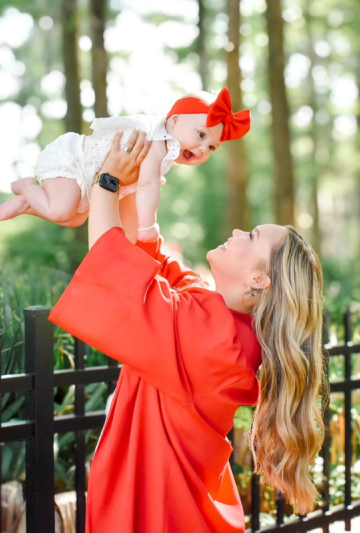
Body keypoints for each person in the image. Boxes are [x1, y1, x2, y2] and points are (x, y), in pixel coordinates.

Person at [49, 130, 328, 531]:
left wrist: (107, 183)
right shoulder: (216, 317)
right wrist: (139, 176)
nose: (236, 232)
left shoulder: (218, 341)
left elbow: (111, 265)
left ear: (259, 280)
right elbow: (138, 256)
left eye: (250, 237)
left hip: (162, 514)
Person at [0, 87, 250, 243]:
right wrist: (147, 227)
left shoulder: (163, 152)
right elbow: (148, 184)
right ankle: (28, 186)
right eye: (201, 135)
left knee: (75, 219)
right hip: (72, 160)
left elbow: (144, 182)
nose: (204, 149)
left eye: (212, 147)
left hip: (86, 178)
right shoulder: (158, 140)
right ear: (173, 121)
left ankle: (28, 203)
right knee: (62, 211)